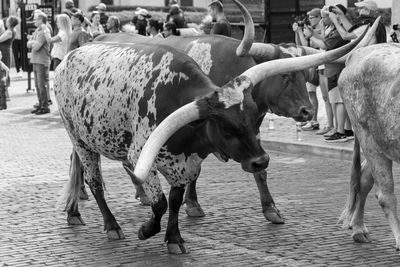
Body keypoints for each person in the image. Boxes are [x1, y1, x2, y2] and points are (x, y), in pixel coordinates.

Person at [307, 5, 351, 142]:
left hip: (336, 69)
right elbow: (325, 41)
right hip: (331, 68)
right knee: (334, 100)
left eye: (325, 16)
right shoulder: (333, 29)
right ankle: (345, 130)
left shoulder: (339, 30)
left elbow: (326, 46)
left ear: (335, 16)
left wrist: (311, 37)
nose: (322, 20)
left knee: (338, 101)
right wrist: (312, 33)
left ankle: (340, 131)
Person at [27, 12, 51, 115]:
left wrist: (32, 42)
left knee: (42, 84)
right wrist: (33, 42)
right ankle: (41, 105)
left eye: (36, 19)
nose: (34, 21)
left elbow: (36, 46)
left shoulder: (43, 31)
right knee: (37, 84)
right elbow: (29, 44)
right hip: (35, 60)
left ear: (41, 20)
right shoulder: (37, 30)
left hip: (42, 61)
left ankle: (45, 107)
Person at [0, 16, 18, 102]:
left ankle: (6, 95)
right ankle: (5, 94)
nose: (5, 21)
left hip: (4, 52)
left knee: (3, 71)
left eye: (7, 21)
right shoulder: (10, 31)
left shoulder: (9, 32)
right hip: (5, 51)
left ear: (10, 23)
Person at [12, 7, 23, 78]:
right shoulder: (14, 20)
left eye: (20, 11)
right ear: (16, 12)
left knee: (22, 55)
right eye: (18, 11)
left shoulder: (23, 19)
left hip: (22, 40)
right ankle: (18, 70)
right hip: (15, 39)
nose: (19, 12)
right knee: (16, 55)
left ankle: (21, 67)